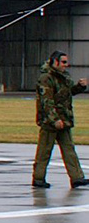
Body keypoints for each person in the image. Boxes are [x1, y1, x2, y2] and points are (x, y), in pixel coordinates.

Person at [32, 50, 88, 189]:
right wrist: (54, 120)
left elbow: (67, 93)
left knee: (69, 150)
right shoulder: (46, 78)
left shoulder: (63, 77)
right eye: (63, 62)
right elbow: (46, 101)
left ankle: (77, 177)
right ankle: (38, 178)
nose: (65, 65)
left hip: (64, 120)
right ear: (55, 62)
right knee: (44, 151)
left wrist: (79, 87)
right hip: (50, 122)